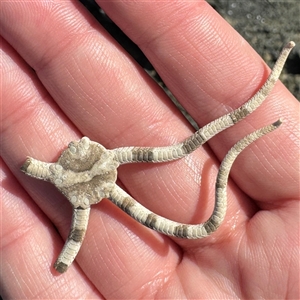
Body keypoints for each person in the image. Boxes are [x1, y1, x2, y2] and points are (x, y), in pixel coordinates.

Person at [1, 1, 299, 299]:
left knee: (186, 148)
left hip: (82, 176)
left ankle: (272, 78)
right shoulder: (70, 186)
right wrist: (65, 253)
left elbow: (73, 236)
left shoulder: (63, 181)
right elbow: (73, 236)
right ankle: (273, 76)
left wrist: (66, 253)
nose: (80, 143)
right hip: (82, 177)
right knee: (185, 148)